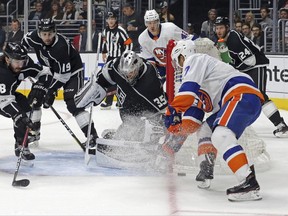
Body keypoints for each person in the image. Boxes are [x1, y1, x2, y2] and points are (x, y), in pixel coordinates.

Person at [162, 39, 264, 201]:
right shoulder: (200, 83)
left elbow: (186, 96)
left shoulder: (195, 60)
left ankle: (248, 181)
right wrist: (171, 144)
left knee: (222, 135)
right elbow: (191, 124)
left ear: (182, 55)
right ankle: (206, 168)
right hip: (238, 99)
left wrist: (171, 110)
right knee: (205, 130)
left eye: (178, 62)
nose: (178, 67)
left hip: (241, 94)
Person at [21, 18, 99, 149]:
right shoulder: (33, 37)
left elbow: (64, 76)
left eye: (50, 34)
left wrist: (50, 91)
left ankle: (92, 137)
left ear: (55, 32)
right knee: (35, 97)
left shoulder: (60, 47)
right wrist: (25, 64)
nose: (47, 37)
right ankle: (34, 132)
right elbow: (23, 44)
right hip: (50, 71)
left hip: (73, 72)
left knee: (74, 103)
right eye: (44, 34)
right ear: (39, 32)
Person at [74, 50, 167, 152]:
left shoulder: (150, 82)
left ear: (138, 67)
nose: (128, 77)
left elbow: (163, 111)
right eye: (125, 73)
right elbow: (103, 78)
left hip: (146, 113)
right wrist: (94, 88)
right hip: (127, 109)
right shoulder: (116, 66)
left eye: (131, 73)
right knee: (126, 130)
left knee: (146, 130)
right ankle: (121, 135)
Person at [214, 16, 288, 137]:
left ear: (227, 27)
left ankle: (281, 125)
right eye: (217, 28)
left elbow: (251, 61)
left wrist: (234, 67)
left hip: (256, 65)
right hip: (247, 68)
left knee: (260, 96)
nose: (218, 31)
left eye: (221, 28)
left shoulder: (233, 39)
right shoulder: (223, 40)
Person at [0, 42, 52, 160]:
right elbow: (4, 101)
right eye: (16, 62)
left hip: (8, 94)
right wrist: (18, 115)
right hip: (2, 97)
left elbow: (46, 72)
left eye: (22, 62)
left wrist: (40, 86)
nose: (20, 65)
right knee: (20, 116)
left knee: (27, 111)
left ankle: (21, 146)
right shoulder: (2, 73)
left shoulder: (25, 63)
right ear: (7, 59)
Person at [138, 9, 190, 82]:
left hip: (177, 64)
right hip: (161, 68)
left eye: (154, 22)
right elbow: (149, 60)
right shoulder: (142, 38)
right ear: (145, 23)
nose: (152, 26)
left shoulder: (170, 28)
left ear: (158, 21)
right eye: (149, 23)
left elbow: (188, 39)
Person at [100, 10, 133, 110]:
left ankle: (120, 101)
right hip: (110, 58)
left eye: (113, 19)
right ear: (106, 20)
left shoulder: (120, 30)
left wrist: (125, 56)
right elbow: (105, 43)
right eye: (109, 19)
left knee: (120, 80)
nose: (111, 21)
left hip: (119, 58)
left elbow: (129, 43)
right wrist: (104, 52)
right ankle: (109, 102)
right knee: (109, 80)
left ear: (116, 20)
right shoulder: (105, 31)